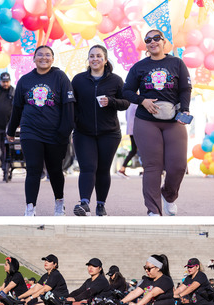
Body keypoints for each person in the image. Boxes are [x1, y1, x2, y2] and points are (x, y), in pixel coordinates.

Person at [123, 29, 192, 216]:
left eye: (156, 38)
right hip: (146, 121)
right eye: (148, 40)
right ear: (146, 45)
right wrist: (142, 101)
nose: (152, 42)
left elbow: (185, 89)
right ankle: (153, 210)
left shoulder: (176, 63)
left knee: (178, 166)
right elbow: (126, 91)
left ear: (163, 42)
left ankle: (169, 195)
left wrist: (185, 109)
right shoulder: (139, 67)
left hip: (174, 120)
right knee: (152, 166)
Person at [7, 45, 75, 216]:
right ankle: (30, 208)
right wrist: (11, 130)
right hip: (31, 132)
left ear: (53, 59)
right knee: (33, 169)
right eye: (40, 55)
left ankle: (59, 202)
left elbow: (69, 107)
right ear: (34, 58)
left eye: (47, 55)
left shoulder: (60, 77)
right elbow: (17, 108)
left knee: (55, 170)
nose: (44, 58)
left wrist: (65, 132)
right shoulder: (25, 80)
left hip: (55, 133)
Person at [70, 45, 130, 216]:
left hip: (109, 133)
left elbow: (126, 103)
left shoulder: (116, 80)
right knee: (87, 167)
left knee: (103, 169)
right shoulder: (78, 80)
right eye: (91, 56)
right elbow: (71, 105)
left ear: (105, 59)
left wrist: (111, 101)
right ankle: (84, 203)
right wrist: (72, 124)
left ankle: (101, 205)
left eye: (98, 56)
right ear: (88, 59)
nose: (94, 59)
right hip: (83, 132)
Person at [117, 104, 138, 177]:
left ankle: (122, 169)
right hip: (136, 130)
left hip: (130, 130)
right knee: (141, 150)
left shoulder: (129, 106)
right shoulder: (136, 105)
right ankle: (147, 170)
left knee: (134, 150)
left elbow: (126, 118)